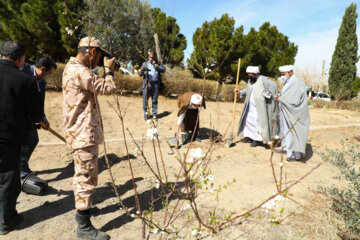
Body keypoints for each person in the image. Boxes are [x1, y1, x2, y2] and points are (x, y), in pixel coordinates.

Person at [62, 36, 116, 240]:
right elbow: (107, 88)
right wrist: (109, 71)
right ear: (92, 52)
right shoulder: (80, 71)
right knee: (85, 177)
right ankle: (83, 227)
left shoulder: (72, 67)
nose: (100, 60)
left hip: (79, 131)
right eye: (100, 56)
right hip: (83, 133)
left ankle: (84, 214)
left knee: (85, 174)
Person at [0, 41, 43, 235]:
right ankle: (6, 221)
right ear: (20, 59)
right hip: (9, 138)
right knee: (8, 178)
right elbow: (35, 113)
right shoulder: (24, 80)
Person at [20, 57, 57, 187]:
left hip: (30, 117)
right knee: (23, 143)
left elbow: (39, 102)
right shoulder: (22, 70)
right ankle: (22, 171)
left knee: (33, 140)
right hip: (17, 116)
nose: (49, 77)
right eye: (50, 74)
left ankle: (21, 167)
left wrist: (43, 118)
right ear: (43, 69)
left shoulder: (41, 81)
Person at [234, 66, 278, 148]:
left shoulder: (264, 80)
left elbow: (273, 86)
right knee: (247, 121)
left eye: (251, 75)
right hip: (249, 106)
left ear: (257, 74)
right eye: (248, 75)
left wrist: (267, 94)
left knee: (257, 123)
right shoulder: (250, 80)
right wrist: (240, 91)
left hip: (259, 107)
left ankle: (256, 140)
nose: (250, 77)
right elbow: (247, 90)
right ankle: (249, 137)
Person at [275, 65, 310, 161]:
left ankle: (295, 155)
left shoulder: (296, 82)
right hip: (287, 112)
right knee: (285, 131)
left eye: (283, 74)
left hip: (294, 113)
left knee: (293, 132)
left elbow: (295, 100)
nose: (282, 76)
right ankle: (286, 149)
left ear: (289, 73)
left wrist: (280, 99)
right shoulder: (289, 81)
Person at [140, 51, 165, 121]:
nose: (151, 58)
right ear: (148, 57)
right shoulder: (144, 63)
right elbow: (140, 73)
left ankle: (154, 115)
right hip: (147, 84)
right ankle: (146, 114)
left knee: (154, 100)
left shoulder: (158, 63)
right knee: (145, 100)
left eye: (153, 57)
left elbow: (163, 70)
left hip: (156, 84)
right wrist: (141, 71)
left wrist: (156, 65)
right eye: (150, 57)